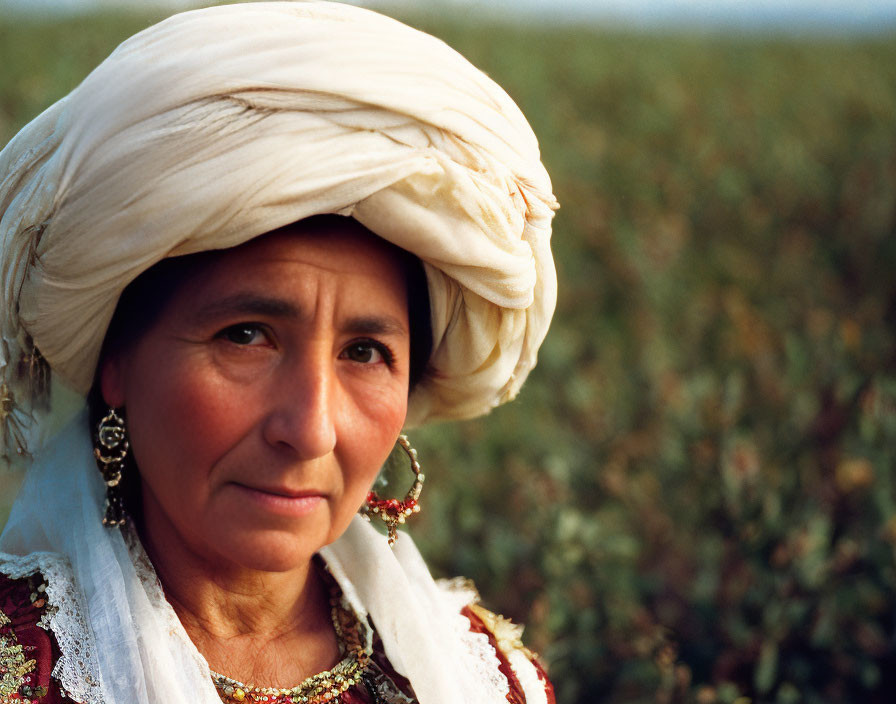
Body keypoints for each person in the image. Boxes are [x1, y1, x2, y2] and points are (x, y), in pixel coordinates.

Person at [0, 2, 558, 704]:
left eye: (365, 351)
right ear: (116, 362)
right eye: (245, 336)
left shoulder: (491, 681)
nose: (311, 429)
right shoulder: (26, 675)